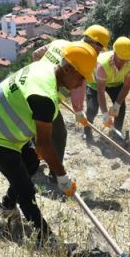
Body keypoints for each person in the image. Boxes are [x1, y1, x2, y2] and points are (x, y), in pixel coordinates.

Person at [0, 41, 97, 246]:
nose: (82, 83)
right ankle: (46, 238)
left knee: (30, 163)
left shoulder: (46, 67)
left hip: (3, 130)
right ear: (66, 69)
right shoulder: (44, 95)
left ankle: (6, 206)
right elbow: (44, 146)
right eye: (81, 76)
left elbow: (39, 148)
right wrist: (62, 176)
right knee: (26, 190)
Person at [32, 24, 110, 173]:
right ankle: (55, 174)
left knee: (33, 129)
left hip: (32, 89)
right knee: (59, 134)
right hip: (46, 99)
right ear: (92, 43)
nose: (98, 54)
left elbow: (36, 54)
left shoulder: (59, 43)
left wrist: (39, 73)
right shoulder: (83, 60)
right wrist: (79, 112)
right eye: (98, 50)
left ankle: (32, 162)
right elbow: (77, 93)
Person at [84, 36, 130, 140]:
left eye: (126, 59)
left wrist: (116, 105)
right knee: (92, 108)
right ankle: (87, 131)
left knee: (121, 108)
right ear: (115, 53)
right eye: (121, 59)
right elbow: (100, 92)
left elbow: (126, 86)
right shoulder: (102, 64)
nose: (124, 63)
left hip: (116, 83)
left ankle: (116, 133)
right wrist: (105, 115)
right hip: (95, 84)